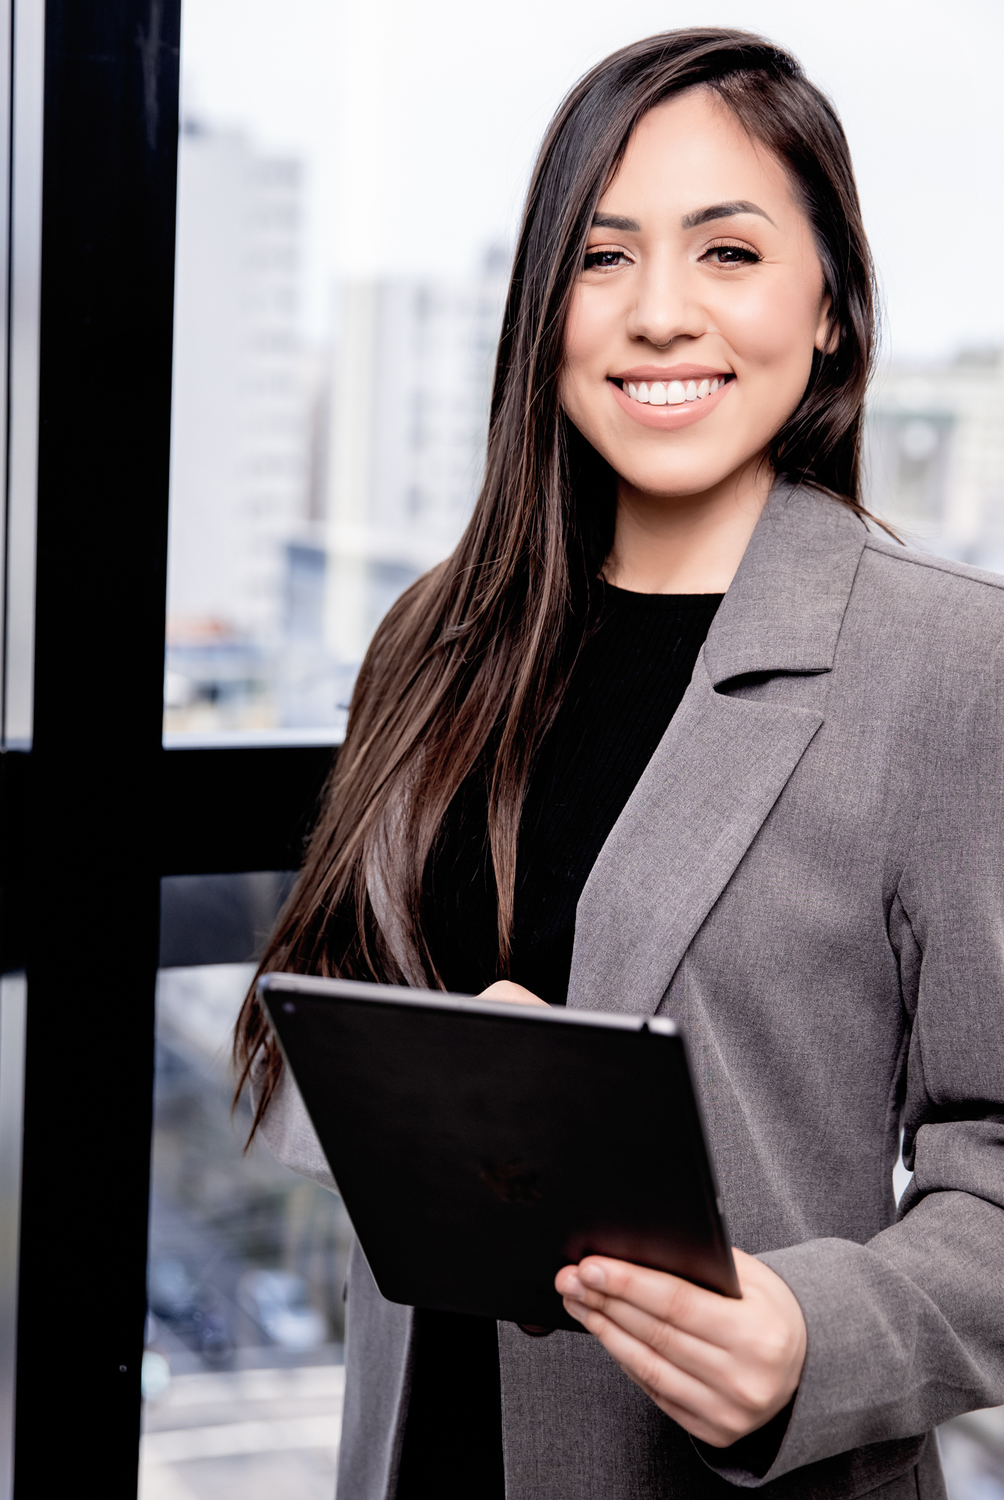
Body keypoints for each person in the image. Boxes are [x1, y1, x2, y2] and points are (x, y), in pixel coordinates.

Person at [234, 27, 1004, 1500]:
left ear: (830, 305)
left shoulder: (952, 667)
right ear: (546, 308)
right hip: (416, 1454)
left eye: (728, 253)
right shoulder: (437, 639)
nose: (660, 314)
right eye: (604, 257)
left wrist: (811, 1335)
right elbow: (337, 1055)